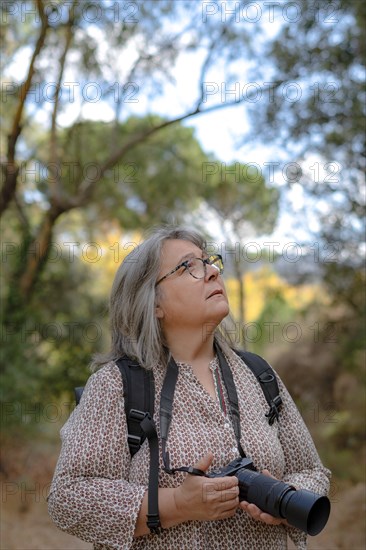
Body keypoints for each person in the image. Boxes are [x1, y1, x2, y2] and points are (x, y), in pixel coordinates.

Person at [48, 225, 331, 550]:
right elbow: (68, 497)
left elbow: (312, 471)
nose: (211, 272)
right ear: (154, 304)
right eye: (188, 267)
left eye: (208, 261)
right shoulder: (117, 385)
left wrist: (285, 502)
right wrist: (177, 504)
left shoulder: (258, 374)